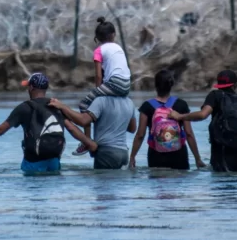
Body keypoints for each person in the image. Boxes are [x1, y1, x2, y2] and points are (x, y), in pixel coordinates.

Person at [0, 72, 66, 174]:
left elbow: (0, 130)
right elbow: (72, 128)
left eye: (28, 86)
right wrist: (84, 143)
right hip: (54, 160)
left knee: (32, 187)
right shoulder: (56, 105)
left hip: (33, 162)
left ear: (31, 87)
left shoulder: (24, 107)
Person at [168, 70, 237, 172]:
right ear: (235, 85)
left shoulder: (215, 95)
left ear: (218, 84)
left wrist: (179, 116)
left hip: (222, 151)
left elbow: (202, 114)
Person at [72, 17, 131, 156]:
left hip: (114, 84)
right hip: (127, 84)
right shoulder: (118, 48)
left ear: (97, 38)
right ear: (114, 35)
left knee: (84, 104)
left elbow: (98, 75)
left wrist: (98, 94)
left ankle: (86, 141)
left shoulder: (99, 50)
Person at [129, 69, 206, 171]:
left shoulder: (146, 106)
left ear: (156, 85)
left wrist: (132, 157)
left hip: (156, 155)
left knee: (158, 183)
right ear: (171, 85)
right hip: (179, 154)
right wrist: (197, 158)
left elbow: (140, 135)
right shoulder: (181, 105)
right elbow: (189, 133)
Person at [50, 90, 136, 170]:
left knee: (101, 185)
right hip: (124, 153)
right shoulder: (129, 102)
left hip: (106, 153)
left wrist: (62, 107)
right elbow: (132, 128)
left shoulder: (101, 100)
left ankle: (86, 144)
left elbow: (83, 121)